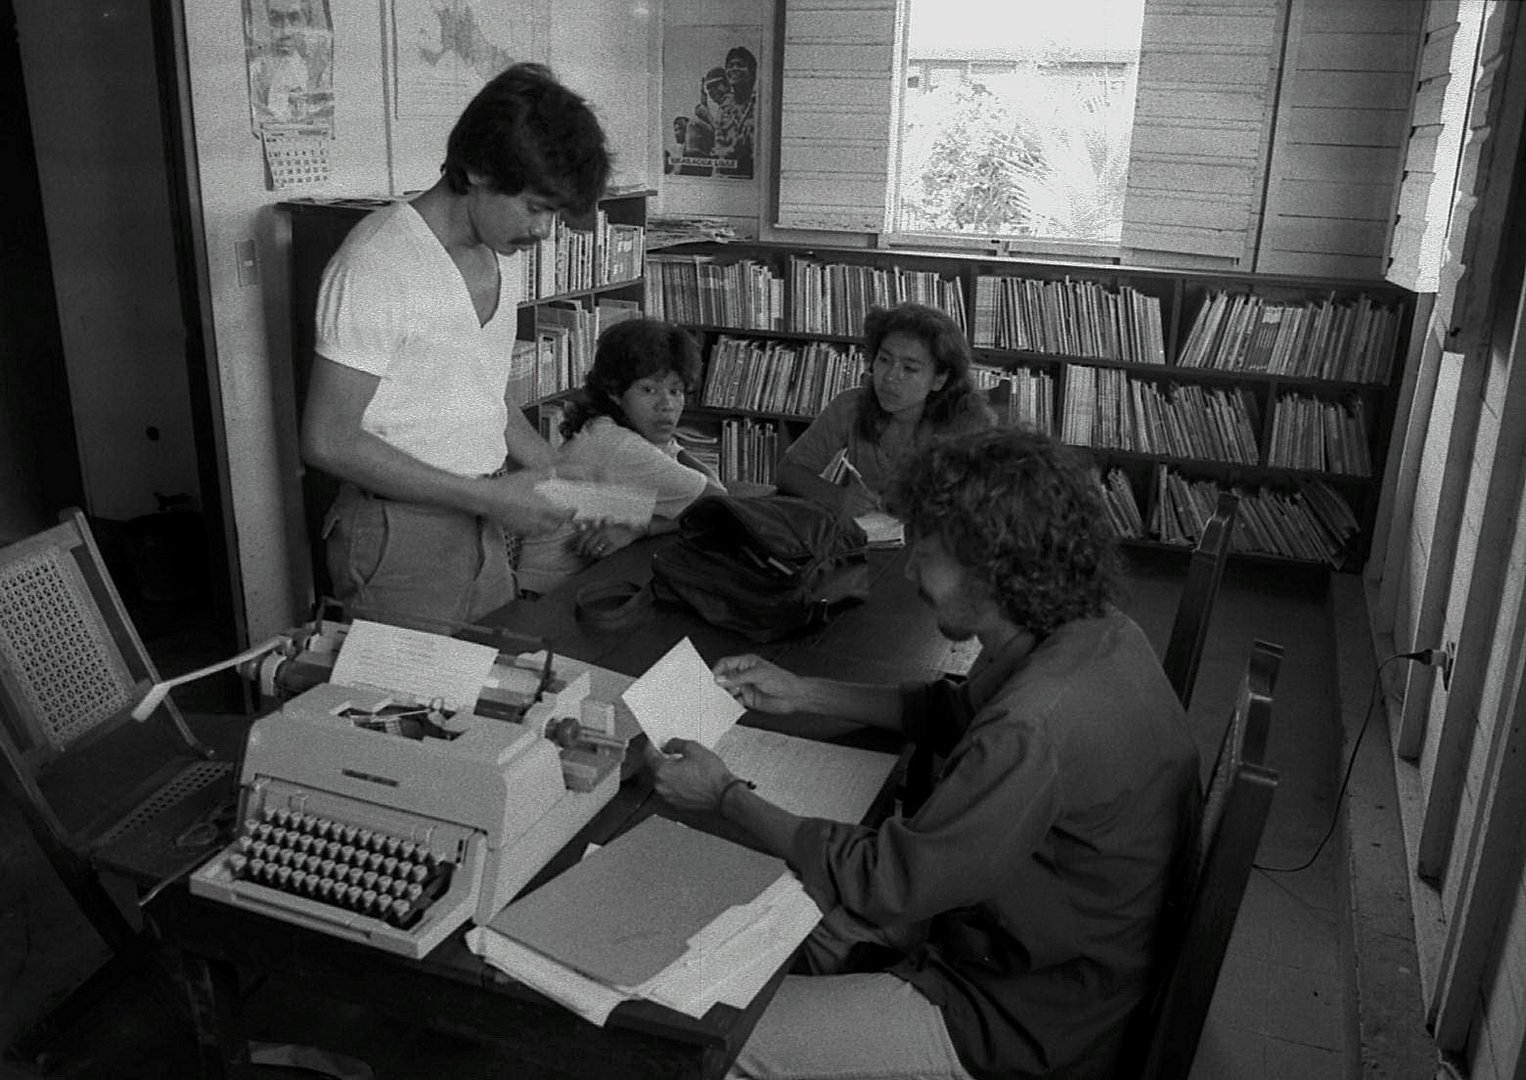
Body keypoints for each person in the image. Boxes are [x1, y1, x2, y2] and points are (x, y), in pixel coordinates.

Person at [647, 426, 1201, 1080]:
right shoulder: (1092, 629)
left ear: (995, 567)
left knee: (699, 1039)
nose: (909, 569)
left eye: (927, 554)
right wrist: (805, 692)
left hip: (1019, 1018)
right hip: (1029, 941)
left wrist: (725, 797)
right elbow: (951, 712)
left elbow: (891, 881)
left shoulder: (1033, 726)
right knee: (796, 924)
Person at [301, 63, 610, 630]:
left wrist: (557, 476)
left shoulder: (500, 251)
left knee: (482, 704)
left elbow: (485, 397)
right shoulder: (377, 261)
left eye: (554, 213)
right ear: (476, 171)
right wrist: (492, 500)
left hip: (480, 523)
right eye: (536, 207)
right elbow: (327, 440)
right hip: (397, 533)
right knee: (405, 712)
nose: (543, 231)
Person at [515, 318, 727, 595]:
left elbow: (711, 498)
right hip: (546, 600)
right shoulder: (619, 445)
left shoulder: (612, 426)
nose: (667, 405)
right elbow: (721, 504)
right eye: (648, 389)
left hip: (584, 581)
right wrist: (645, 528)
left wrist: (639, 528)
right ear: (615, 392)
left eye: (676, 391)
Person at [776, 302, 992, 518]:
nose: (890, 376)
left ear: (939, 379)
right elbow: (789, 471)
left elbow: (978, 512)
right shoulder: (851, 406)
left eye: (909, 368)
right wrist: (838, 498)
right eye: (884, 360)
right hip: (872, 540)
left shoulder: (965, 428)